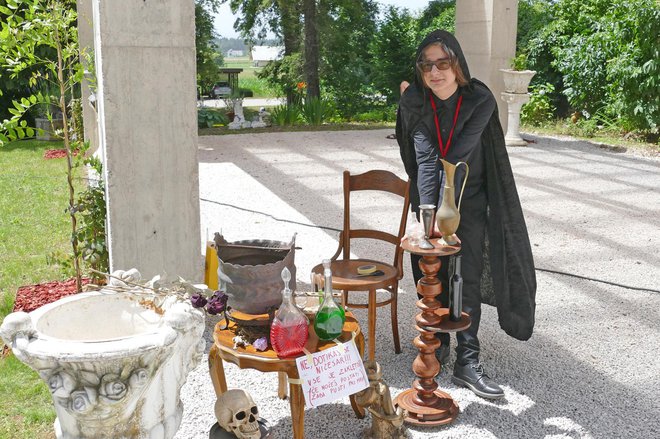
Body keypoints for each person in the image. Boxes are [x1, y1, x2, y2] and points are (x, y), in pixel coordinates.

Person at [396, 30, 537, 400]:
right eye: (426, 65)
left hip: (470, 197)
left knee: (466, 273)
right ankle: (436, 341)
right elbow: (424, 160)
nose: (434, 71)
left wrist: (449, 218)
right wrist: (426, 218)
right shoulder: (415, 100)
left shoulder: (479, 99)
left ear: (457, 63)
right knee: (432, 269)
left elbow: (457, 155)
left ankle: (468, 361)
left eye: (443, 62)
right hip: (430, 197)